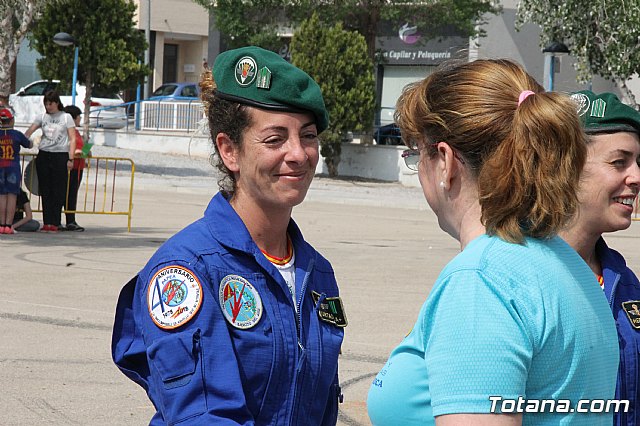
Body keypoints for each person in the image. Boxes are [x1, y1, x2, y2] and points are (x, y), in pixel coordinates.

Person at [366, 59, 619, 425]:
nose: (417, 167)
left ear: (446, 162)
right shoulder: (568, 265)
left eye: (416, 154)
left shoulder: (482, 279)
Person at [112, 46, 345, 425]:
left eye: (308, 136)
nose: (298, 154)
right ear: (229, 151)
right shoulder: (187, 270)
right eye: (275, 139)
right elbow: (203, 415)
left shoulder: (317, 273)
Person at [560, 90, 640, 426]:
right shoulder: (514, 279)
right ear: (566, 167)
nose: (636, 177)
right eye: (619, 162)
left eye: (638, 163)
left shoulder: (626, 283)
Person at [24, 90, 76, 233]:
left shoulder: (66, 117)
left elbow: (72, 138)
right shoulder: (42, 117)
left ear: (57, 103)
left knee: (58, 189)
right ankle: (47, 222)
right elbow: (29, 131)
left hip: (60, 155)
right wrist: (23, 140)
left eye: (51, 103)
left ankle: (56, 221)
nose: (48, 106)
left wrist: (70, 158)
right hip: (44, 154)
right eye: (46, 104)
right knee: (45, 188)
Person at [0, 107, 32, 234]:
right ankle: (8, 225)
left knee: (2, 196)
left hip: (0, 167)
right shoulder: (16, 135)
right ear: (12, 120)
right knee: (12, 196)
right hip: (13, 167)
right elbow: (28, 144)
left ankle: (1, 224)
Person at [62, 105, 86, 231]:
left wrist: (85, 153)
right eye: (78, 117)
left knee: (72, 194)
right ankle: (68, 221)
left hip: (79, 167)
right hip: (70, 167)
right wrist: (76, 153)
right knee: (67, 194)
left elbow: (81, 146)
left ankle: (71, 219)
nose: (80, 119)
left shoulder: (76, 131)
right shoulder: (67, 131)